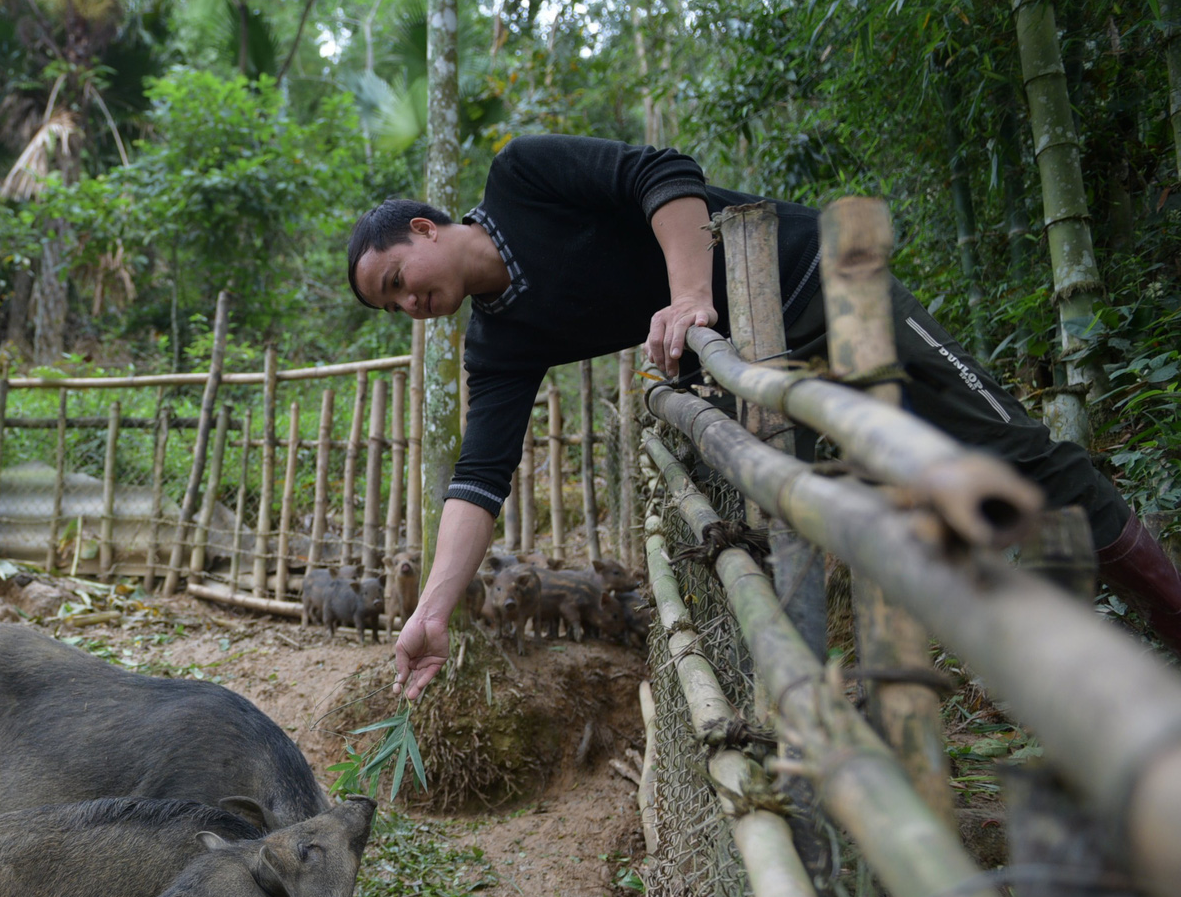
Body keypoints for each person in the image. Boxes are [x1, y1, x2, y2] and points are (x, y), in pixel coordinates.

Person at [345, 133, 1181, 698]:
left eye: (396, 281)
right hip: (766, 361)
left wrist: (688, 300)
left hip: (821, 280)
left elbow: (664, 174)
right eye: (392, 308)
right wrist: (434, 611)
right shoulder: (499, 342)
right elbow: (481, 477)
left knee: (1011, 450)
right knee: (880, 506)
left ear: (423, 229)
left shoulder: (521, 176)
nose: (410, 304)